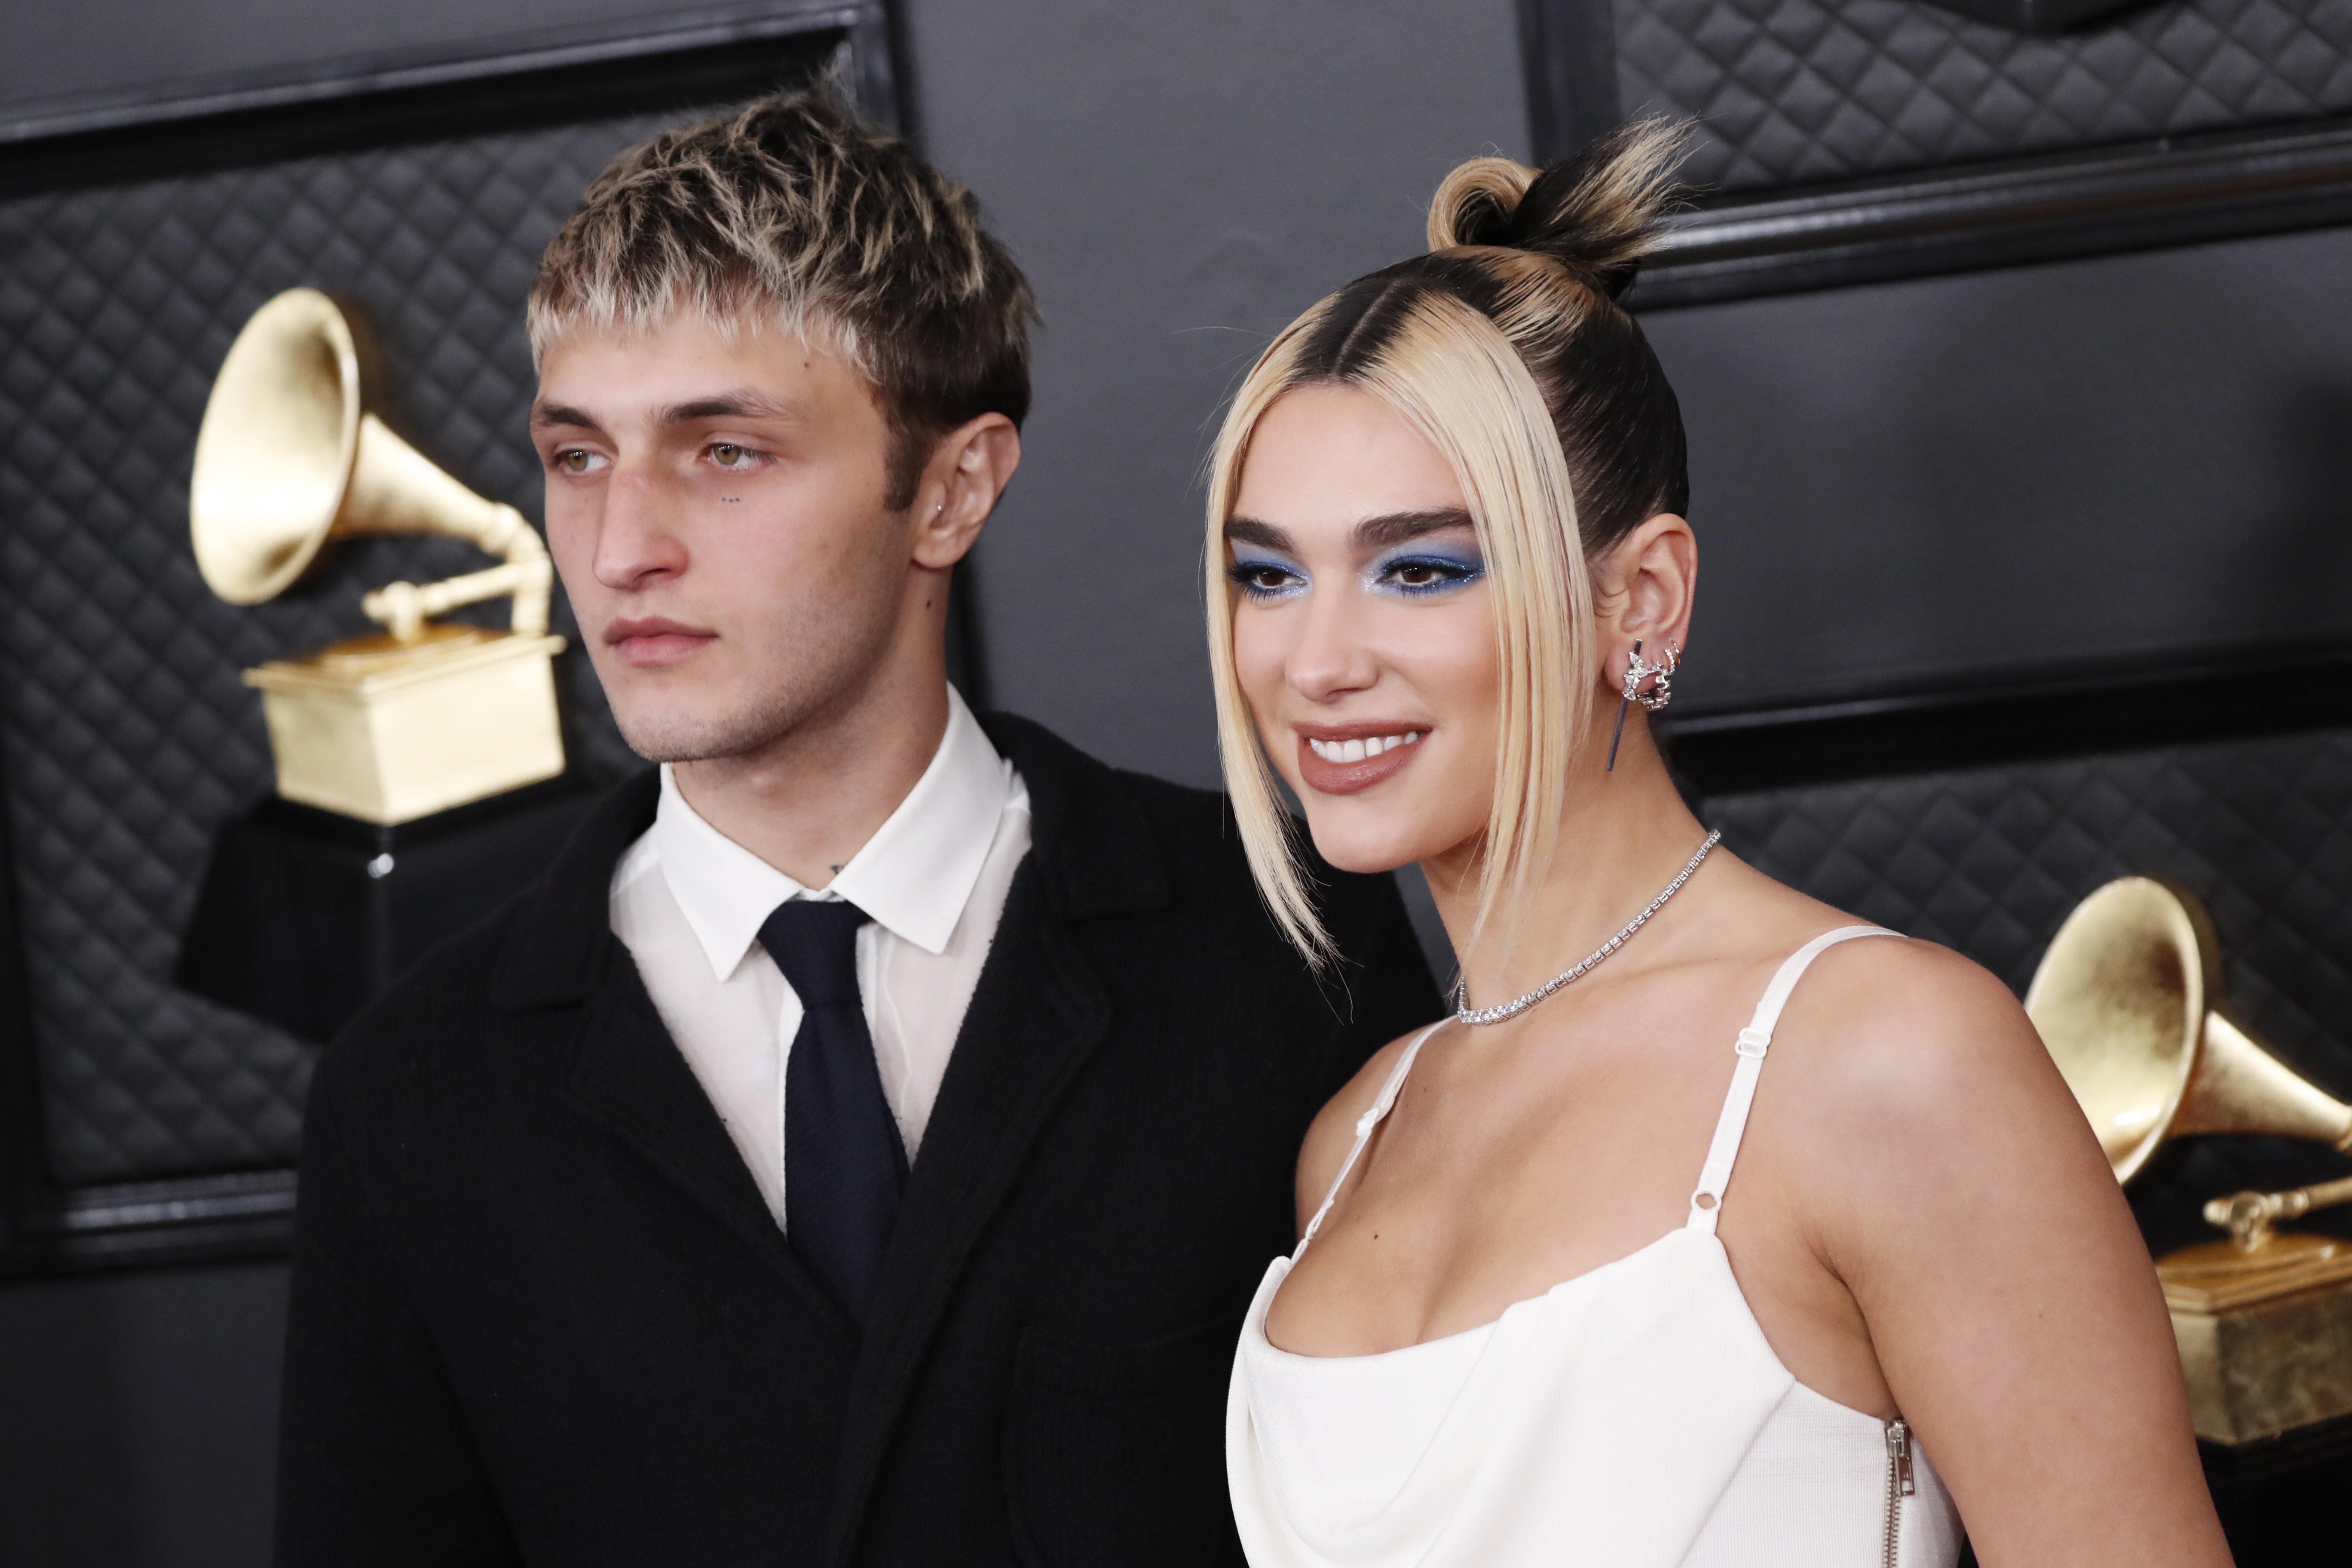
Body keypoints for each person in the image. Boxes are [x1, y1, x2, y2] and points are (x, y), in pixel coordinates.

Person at [274, 89, 1439, 1567]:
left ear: (953, 490)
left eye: (726, 452)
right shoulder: (410, 1096)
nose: (622, 548)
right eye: (578, 457)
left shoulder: (1280, 944)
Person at [1211, 123, 2231, 1567]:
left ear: (1642, 599)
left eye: (1420, 568)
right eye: (1267, 576)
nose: (1315, 661)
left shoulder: (1888, 1061)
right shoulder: (1357, 1137)